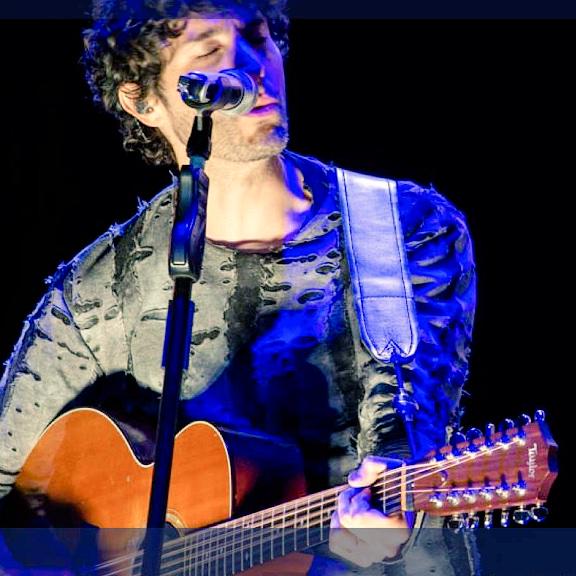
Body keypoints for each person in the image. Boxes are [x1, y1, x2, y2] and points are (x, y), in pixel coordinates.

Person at [0, 0, 477, 573]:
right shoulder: (97, 293)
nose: (251, 66)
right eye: (209, 54)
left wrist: (392, 477)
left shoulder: (402, 227)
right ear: (142, 99)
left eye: (257, 36)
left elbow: (409, 408)